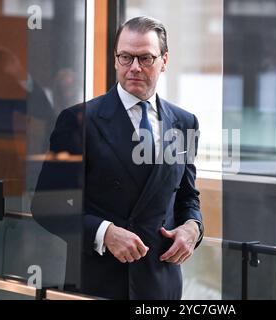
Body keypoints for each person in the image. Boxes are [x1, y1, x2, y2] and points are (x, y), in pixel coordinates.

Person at [32, 16, 204, 300]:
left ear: (164, 60)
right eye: (125, 57)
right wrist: (104, 233)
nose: (134, 67)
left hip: (161, 284)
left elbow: (188, 197)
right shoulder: (79, 120)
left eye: (145, 58)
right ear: (115, 60)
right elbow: (46, 204)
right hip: (98, 282)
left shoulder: (185, 122)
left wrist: (192, 228)